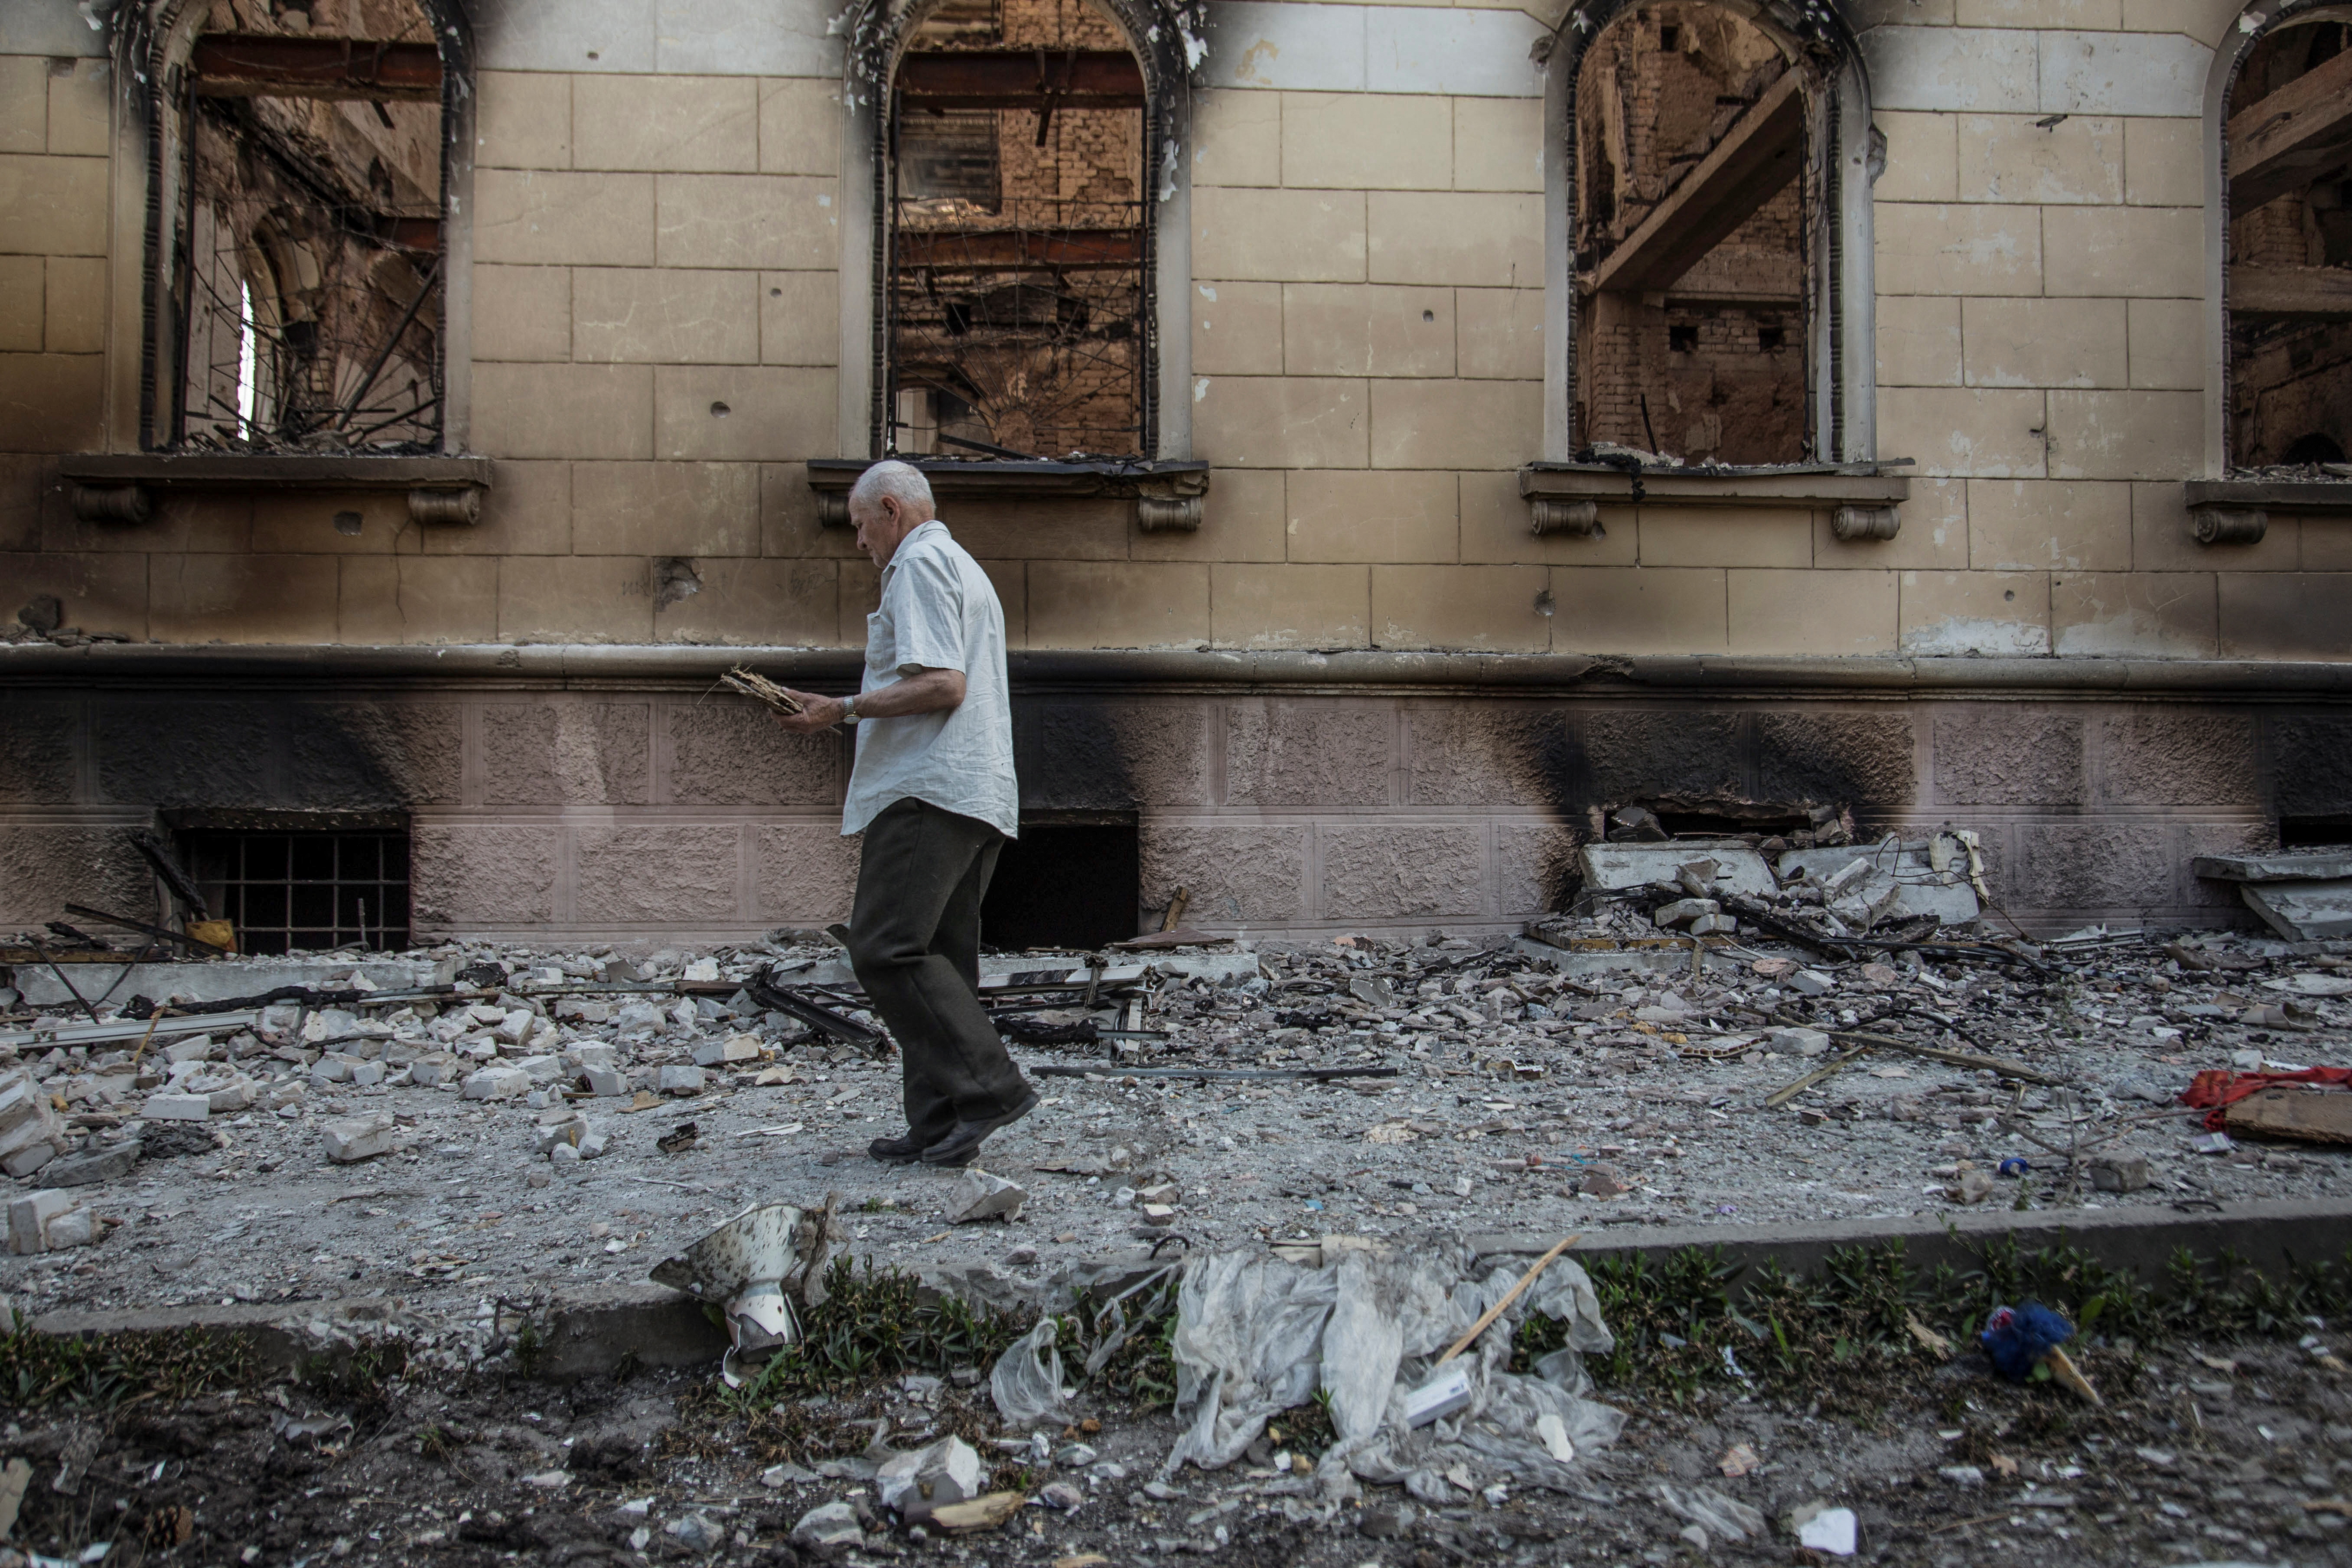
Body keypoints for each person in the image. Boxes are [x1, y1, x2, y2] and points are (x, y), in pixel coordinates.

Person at [771, 461, 1036, 1168]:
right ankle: (940, 1122)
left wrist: (843, 709)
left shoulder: (918, 565)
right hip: (975, 790)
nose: (859, 543)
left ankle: (990, 1089)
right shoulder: (961, 564)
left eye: (861, 527)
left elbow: (942, 684)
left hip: (929, 789)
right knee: (941, 958)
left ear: (891, 510)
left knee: (883, 945)